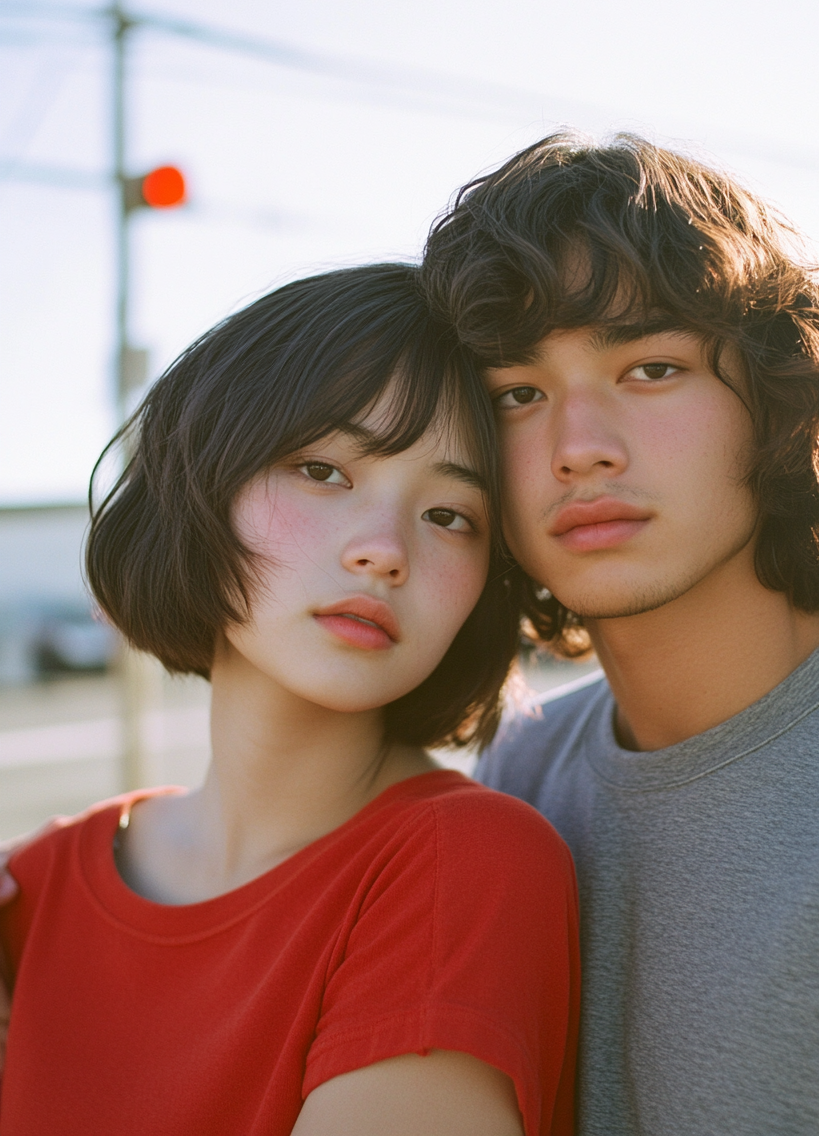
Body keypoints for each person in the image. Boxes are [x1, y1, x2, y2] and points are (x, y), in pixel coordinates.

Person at [419, 133, 819, 1135]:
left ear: (778, 400)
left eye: (653, 367)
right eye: (518, 396)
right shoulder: (522, 774)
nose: (579, 447)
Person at [0, 264, 579, 1136]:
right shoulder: (34, 889)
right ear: (204, 480)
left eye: (450, 515)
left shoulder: (464, 863)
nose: (383, 551)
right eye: (322, 469)